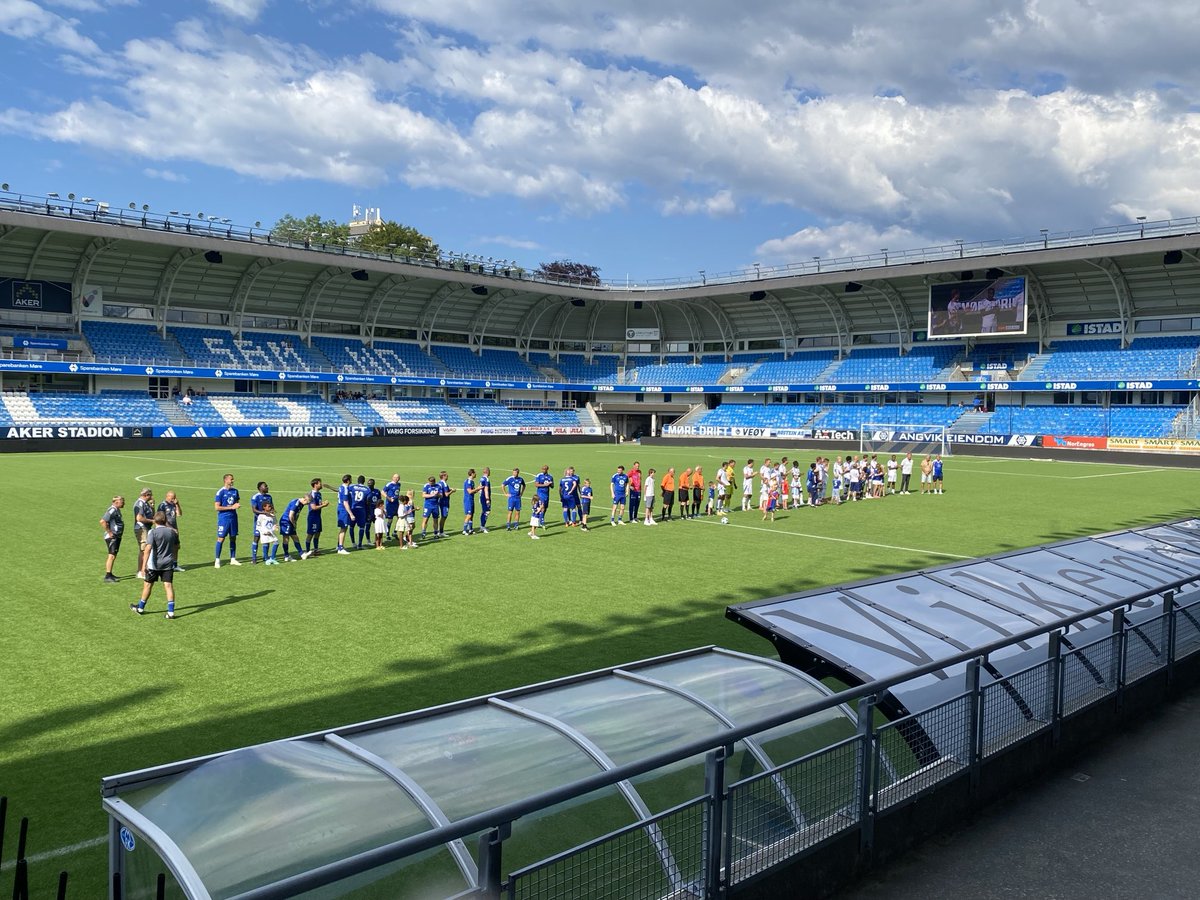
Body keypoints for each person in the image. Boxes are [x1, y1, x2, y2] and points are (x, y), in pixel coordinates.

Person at [130, 511, 180, 619]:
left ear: (154, 521)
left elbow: (148, 549)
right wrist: (173, 560)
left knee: (148, 585)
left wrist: (143, 566)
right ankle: (171, 612)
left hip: (154, 565)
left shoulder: (152, 532)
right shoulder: (172, 532)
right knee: (168, 586)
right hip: (168, 564)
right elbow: (177, 546)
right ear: (165, 520)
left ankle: (140, 608)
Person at [213, 473, 242, 567]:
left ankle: (233, 559)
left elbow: (236, 502)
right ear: (225, 480)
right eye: (231, 479)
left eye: (233, 479)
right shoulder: (220, 492)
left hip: (233, 518)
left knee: (233, 537)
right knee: (221, 538)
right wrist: (231, 507)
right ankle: (217, 560)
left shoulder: (235, 491)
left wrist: (236, 505)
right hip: (224, 518)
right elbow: (217, 507)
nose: (233, 481)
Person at [157, 490, 184, 572]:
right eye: (172, 498)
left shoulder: (174, 504)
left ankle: (174, 565)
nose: (173, 499)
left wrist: (177, 504)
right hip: (166, 529)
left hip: (174, 529)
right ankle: (162, 565)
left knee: (176, 546)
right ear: (167, 496)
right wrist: (171, 528)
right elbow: (161, 519)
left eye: (174, 498)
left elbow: (179, 514)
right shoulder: (162, 505)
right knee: (165, 548)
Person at [131, 488, 156, 579]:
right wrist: (152, 521)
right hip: (142, 529)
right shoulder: (140, 504)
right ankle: (140, 571)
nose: (152, 497)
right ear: (146, 495)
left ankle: (145, 569)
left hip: (147, 528)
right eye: (150, 495)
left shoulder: (146, 503)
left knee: (146, 549)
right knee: (143, 550)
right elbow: (139, 518)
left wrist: (152, 506)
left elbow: (152, 515)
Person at [101, 494, 125, 583]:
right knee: (111, 555)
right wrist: (110, 532)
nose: (124, 504)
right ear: (116, 502)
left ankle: (110, 574)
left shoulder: (116, 510)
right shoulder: (112, 510)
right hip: (112, 537)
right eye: (122, 502)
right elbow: (102, 521)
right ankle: (107, 576)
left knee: (113, 555)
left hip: (116, 536)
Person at [249, 481, 273, 564]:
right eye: (265, 486)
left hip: (267, 522)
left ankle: (265, 557)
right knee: (256, 537)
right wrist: (264, 513)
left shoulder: (269, 497)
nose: (267, 487)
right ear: (260, 488)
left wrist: (272, 512)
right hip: (259, 522)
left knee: (267, 538)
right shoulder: (255, 497)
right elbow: (254, 510)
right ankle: (254, 558)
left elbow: (272, 507)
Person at [280, 495, 308, 561]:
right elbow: (291, 515)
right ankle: (286, 556)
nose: (308, 504)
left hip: (291, 521)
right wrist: (294, 523)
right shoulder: (295, 503)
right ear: (304, 499)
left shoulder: (302, 504)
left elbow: (297, 514)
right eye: (307, 502)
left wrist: (295, 522)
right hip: (286, 521)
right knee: (286, 538)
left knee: (295, 537)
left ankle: (301, 554)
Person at [304, 478, 327, 558]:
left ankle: (316, 550)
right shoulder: (311, 495)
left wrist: (322, 503)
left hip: (318, 516)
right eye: (320, 483)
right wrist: (324, 505)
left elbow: (318, 504)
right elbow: (313, 507)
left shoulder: (319, 494)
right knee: (310, 534)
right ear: (315, 485)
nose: (321, 485)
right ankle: (307, 551)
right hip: (312, 517)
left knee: (317, 533)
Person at [350, 476, 371, 548]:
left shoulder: (352, 486)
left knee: (351, 526)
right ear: (364, 481)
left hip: (353, 508)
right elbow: (368, 501)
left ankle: (353, 543)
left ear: (357, 480)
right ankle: (359, 544)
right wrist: (368, 512)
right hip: (361, 509)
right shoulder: (367, 489)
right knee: (362, 527)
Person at [336, 474, 355, 554]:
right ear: (348, 480)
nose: (351, 480)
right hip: (343, 510)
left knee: (343, 528)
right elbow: (345, 502)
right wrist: (351, 514)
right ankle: (340, 548)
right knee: (344, 528)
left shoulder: (341, 487)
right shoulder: (346, 489)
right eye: (351, 479)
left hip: (340, 509)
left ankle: (339, 546)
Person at [534, 465, 553, 529]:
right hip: (540, 494)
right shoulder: (539, 475)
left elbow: (552, 486)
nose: (543, 470)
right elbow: (536, 484)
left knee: (545, 508)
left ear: (547, 469)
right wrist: (545, 485)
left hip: (546, 494)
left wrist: (550, 484)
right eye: (543, 469)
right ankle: (541, 522)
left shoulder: (550, 476)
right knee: (542, 507)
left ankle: (540, 519)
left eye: (545, 469)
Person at [436, 470, 454, 538]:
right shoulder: (444, 483)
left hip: (440, 501)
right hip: (444, 502)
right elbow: (446, 494)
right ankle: (441, 532)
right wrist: (452, 491)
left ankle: (439, 531)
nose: (447, 476)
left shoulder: (439, 483)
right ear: (443, 476)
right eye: (446, 475)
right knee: (444, 516)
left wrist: (449, 489)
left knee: (443, 516)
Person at [462, 468, 479, 535]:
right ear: (472, 474)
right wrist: (477, 488)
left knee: (471, 515)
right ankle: (464, 530)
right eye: (475, 473)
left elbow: (472, 492)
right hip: (468, 500)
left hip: (471, 500)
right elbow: (469, 491)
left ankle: (470, 529)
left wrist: (477, 490)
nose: (476, 474)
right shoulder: (468, 482)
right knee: (468, 515)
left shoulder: (472, 481)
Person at [478, 467, 492, 533]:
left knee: (484, 511)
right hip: (485, 497)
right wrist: (487, 499)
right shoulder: (486, 479)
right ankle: (482, 527)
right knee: (487, 512)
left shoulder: (481, 478)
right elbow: (486, 489)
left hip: (481, 497)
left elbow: (480, 488)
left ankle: (482, 526)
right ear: (487, 472)